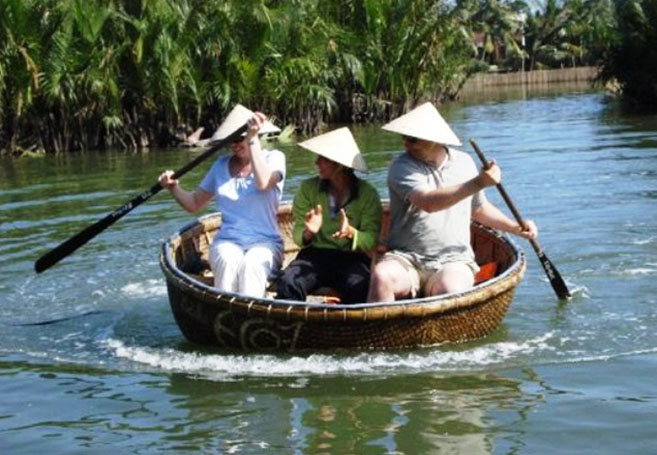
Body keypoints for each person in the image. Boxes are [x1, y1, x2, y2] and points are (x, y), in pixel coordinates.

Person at [367, 102, 538, 302]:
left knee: (450, 289)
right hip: (407, 257)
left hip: (454, 259)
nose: (406, 143)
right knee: (381, 276)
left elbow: (478, 208)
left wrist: (515, 227)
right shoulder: (401, 167)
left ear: (434, 139)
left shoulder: (464, 162)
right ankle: (381, 333)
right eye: (403, 137)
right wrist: (478, 182)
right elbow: (427, 202)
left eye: (412, 139)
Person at [158, 104, 285, 297]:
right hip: (228, 240)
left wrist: (251, 141)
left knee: (251, 265)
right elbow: (193, 203)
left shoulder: (275, 158)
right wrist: (173, 187)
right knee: (227, 261)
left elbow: (263, 183)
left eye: (240, 138)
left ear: (256, 135)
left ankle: (249, 316)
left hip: (265, 242)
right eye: (231, 140)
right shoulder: (220, 166)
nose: (235, 144)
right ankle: (226, 315)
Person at [275, 127, 382, 304]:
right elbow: (298, 235)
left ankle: (349, 331)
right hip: (315, 255)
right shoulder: (308, 189)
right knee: (288, 282)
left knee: (360, 285)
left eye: (323, 159)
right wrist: (309, 232)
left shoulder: (367, 194)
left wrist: (350, 233)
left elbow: (371, 238)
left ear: (339, 164)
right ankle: (295, 329)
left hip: (352, 258)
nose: (316, 163)